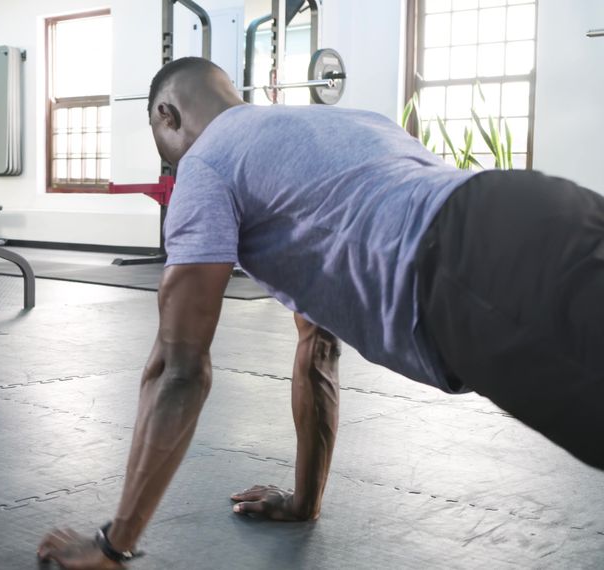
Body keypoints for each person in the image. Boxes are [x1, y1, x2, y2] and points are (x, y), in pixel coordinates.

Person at [37, 57, 604, 567]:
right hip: (542, 206)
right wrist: (303, 502)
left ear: (167, 113)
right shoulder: (348, 124)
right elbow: (318, 347)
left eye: (160, 141)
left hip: (473, 274)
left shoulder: (206, 165)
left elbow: (178, 370)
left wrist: (114, 544)